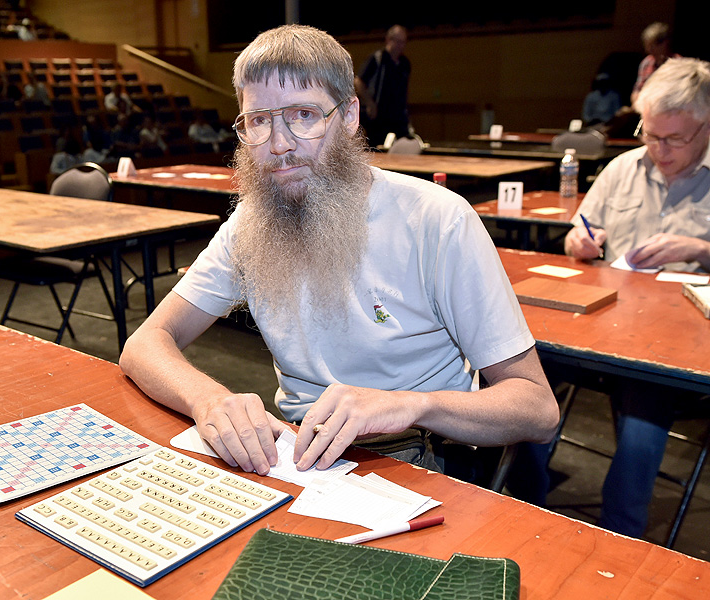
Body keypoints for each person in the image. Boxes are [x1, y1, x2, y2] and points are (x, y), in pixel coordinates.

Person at [119, 24, 558, 478]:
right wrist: (209, 400)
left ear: (349, 117)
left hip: (424, 453)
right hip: (299, 455)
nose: (280, 143)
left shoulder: (437, 219)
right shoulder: (252, 221)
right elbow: (144, 345)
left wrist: (410, 406)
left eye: (304, 115)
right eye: (259, 120)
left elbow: (538, 410)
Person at [521, 57, 709, 539]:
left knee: (645, 412)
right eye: (651, 134)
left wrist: (699, 249)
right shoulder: (623, 167)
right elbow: (575, 234)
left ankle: (620, 537)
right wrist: (578, 244)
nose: (660, 150)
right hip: (601, 323)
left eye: (675, 139)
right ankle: (525, 507)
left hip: (674, 345)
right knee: (527, 381)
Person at [354, 24, 411, 147]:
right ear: (388, 40)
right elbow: (358, 81)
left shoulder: (405, 64)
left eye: (403, 42)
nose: (401, 46)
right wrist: (370, 103)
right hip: (379, 117)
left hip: (398, 117)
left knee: (404, 146)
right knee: (377, 149)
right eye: (398, 42)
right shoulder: (377, 59)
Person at [630, 22, 680, 105]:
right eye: (647, 46)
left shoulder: (679, 65)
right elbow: (637, 90)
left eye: (652, 46)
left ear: (665, 44)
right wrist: (636, 103)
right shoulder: (646, 63)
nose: (649, 50)